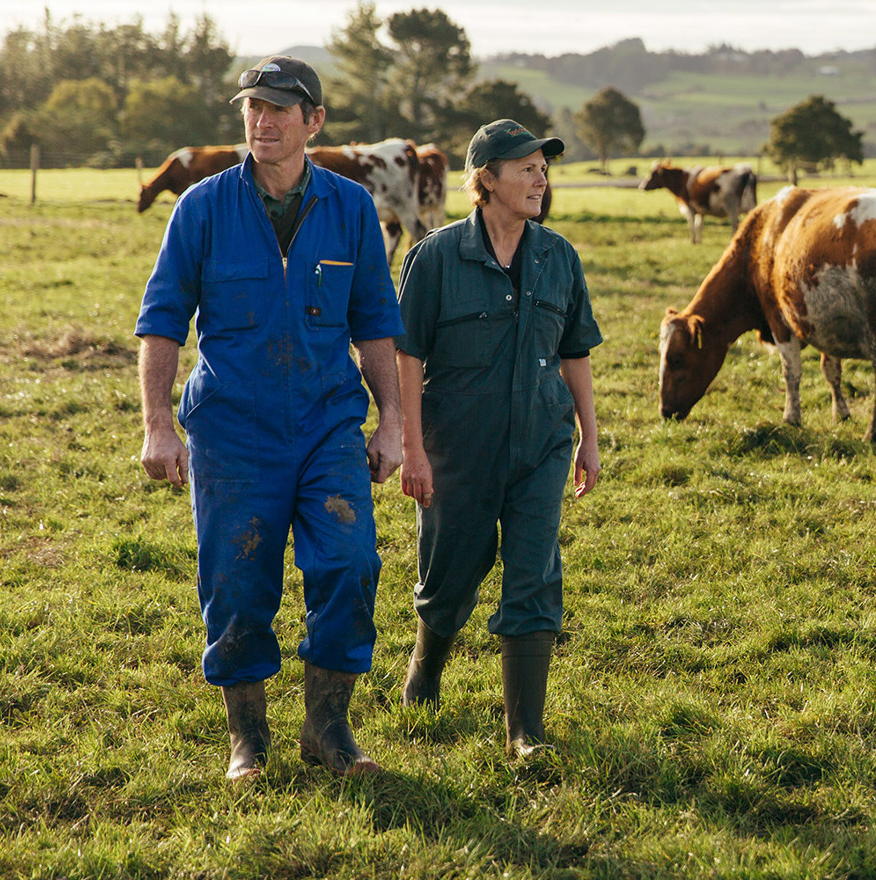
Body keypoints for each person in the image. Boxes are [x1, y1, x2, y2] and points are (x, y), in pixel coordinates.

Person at [135, 55, 403, 779]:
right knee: (236, 580)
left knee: (351, 563)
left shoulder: (350, 208)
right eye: (254, 107)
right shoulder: (202, 207)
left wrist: (392, 423)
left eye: (280, 108)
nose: (263, 120)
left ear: (314, 121)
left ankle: (328, 728)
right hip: (232, 430)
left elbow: (377, 323)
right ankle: (247, 737)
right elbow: (161, 321)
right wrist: (158, 423)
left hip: (326, 425)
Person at [395, 119, 602, 758]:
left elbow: (575, 352)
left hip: (541, 442)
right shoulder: (435, 257)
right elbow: (407, 355)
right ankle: (425, 671)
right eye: (526, 169)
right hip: (458, 447)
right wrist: (412, 448)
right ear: (486, 180)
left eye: (544, 169)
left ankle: (525, 733)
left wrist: (589, 437)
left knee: (535, 574)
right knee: (452, 572)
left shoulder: (558, 256)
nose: (540, 180)